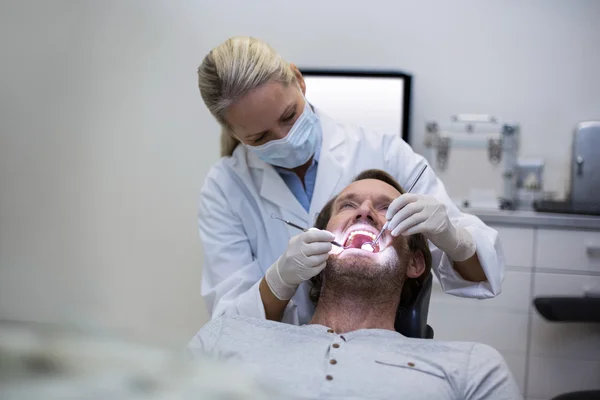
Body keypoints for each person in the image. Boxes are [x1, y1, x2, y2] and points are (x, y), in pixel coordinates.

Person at [197, 36, 505, 325]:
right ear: (234, 133)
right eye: (260, 136)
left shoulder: (384, 153)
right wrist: (279, 280)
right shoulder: (225, 186)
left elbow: (478, 274)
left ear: (299, 80)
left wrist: (453, 237)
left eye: (289, 116)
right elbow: (230, 323)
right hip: (275, 361)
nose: (285, 138)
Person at [188, 170, 521, 400]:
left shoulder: (471, 367)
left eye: (388, 209)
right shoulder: (224, 339)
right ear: (316, 247)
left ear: (415, 263)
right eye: (347, 205)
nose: (364, 212)